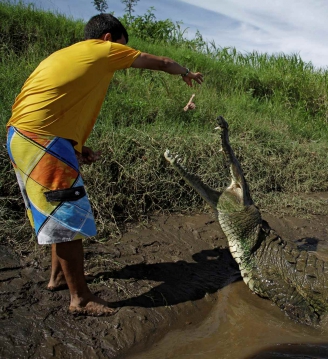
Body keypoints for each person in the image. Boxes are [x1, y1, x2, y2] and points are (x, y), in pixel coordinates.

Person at [5, 14, 203, 316]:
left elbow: (58, 103)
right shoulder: (102, 50)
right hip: (41, 139)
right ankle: (81, 299)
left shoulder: (68, 55)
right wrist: (186, 72)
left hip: (24, 135)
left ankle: (57, 278)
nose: (122, 55)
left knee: (57, 211)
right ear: (109, 39)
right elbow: (162, 62)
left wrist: (76, 148)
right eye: (123, 47)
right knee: (69, 216)